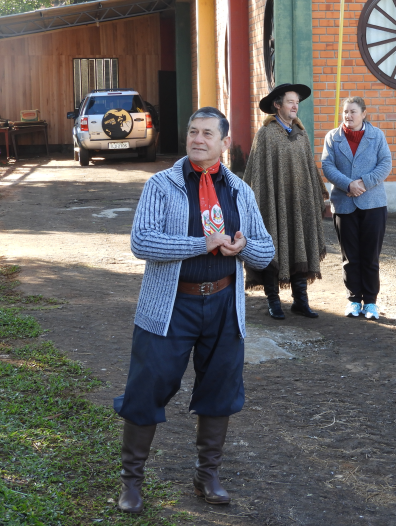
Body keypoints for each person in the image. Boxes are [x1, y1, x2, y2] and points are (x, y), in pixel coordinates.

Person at [113, 107, 274, 513]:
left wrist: (242, 247)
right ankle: (131, 482)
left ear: (224, 142)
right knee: (147, 388)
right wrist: (201, 243)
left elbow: (266, 251)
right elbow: (142, 243)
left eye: (207, 133)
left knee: (219, 389)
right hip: (170, 306)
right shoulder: (161, 185)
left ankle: (207, 476)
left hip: (222, 304)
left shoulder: (239, 189)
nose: (198, 139)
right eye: (192, 132)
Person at [243, 83, 328, 320]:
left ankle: (301, 300)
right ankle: (273, 301)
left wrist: (314, 196)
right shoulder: (266, 135)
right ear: (277, 105)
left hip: (299, 204)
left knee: (300, 241)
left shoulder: (301, 134)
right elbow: (258, 175)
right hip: (272, 203)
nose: (295, 106)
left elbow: (310, 170)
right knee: (273, 243)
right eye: (290, 102)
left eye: (297, 102)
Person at [321, 96, 392, 320]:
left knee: (370, 255)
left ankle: (370, 302)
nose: (348, 116)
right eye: (345, 112)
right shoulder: (333, 137)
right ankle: (353, 300)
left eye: (353, 111)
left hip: (373, 203)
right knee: (349, 256)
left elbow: (386, 163)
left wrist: (363, 182)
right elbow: (327, 165)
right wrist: (347, 184)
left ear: (363, 113)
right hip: (344, 203)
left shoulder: (377, 135)